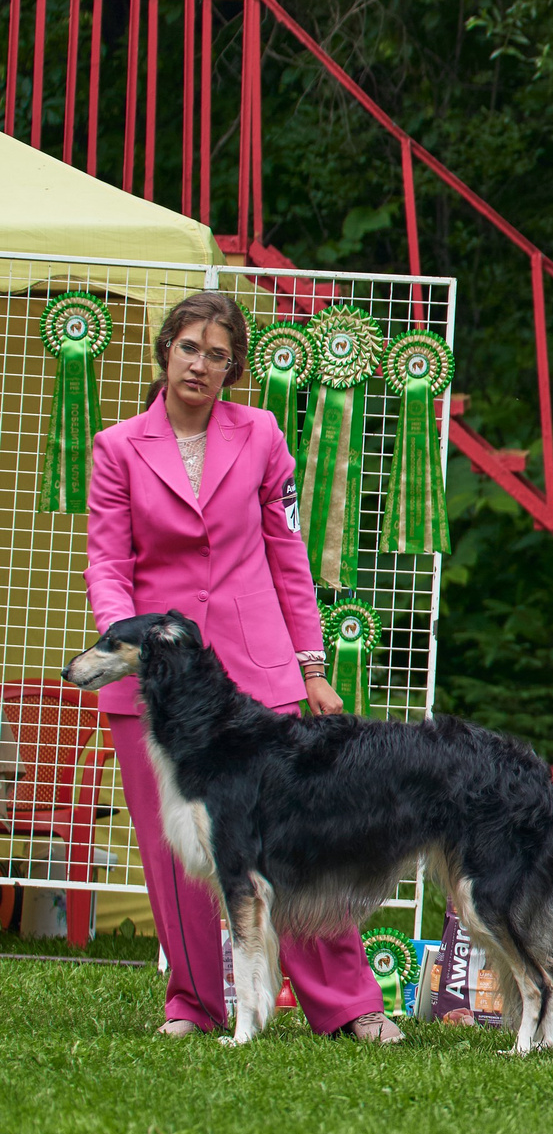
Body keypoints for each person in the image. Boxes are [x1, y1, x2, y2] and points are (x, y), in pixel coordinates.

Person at [83, 292, 397, 1043]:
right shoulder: (117, 447)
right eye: (190, 347)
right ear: (165, 350)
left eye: (218, 354)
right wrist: (124, 644)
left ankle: (348, 1006)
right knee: (180, 854)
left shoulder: (260, 434)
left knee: (301, 839)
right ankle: (195, 1003)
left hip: (258, 674)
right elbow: (107, 561)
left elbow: (288, 554)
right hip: (160, 687)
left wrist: (313, 666)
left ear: (235, 368)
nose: (201, 364)